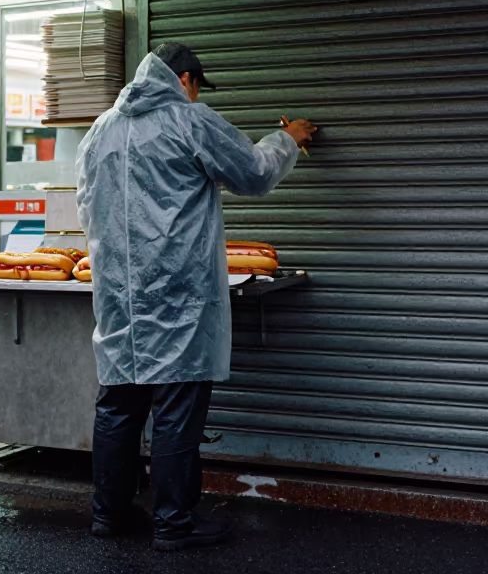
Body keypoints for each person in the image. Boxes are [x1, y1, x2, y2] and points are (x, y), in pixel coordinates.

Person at [76, 41, 315, 552]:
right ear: (185, 79)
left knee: (118, 405)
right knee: (176, 410)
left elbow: (85, 205)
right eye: (198, 85)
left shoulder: (100, 130)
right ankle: (174, 524)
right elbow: (253, 172)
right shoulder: (188, 120)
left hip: (120, 297)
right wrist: (288, 138)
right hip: (177, 297)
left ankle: (109, 516)